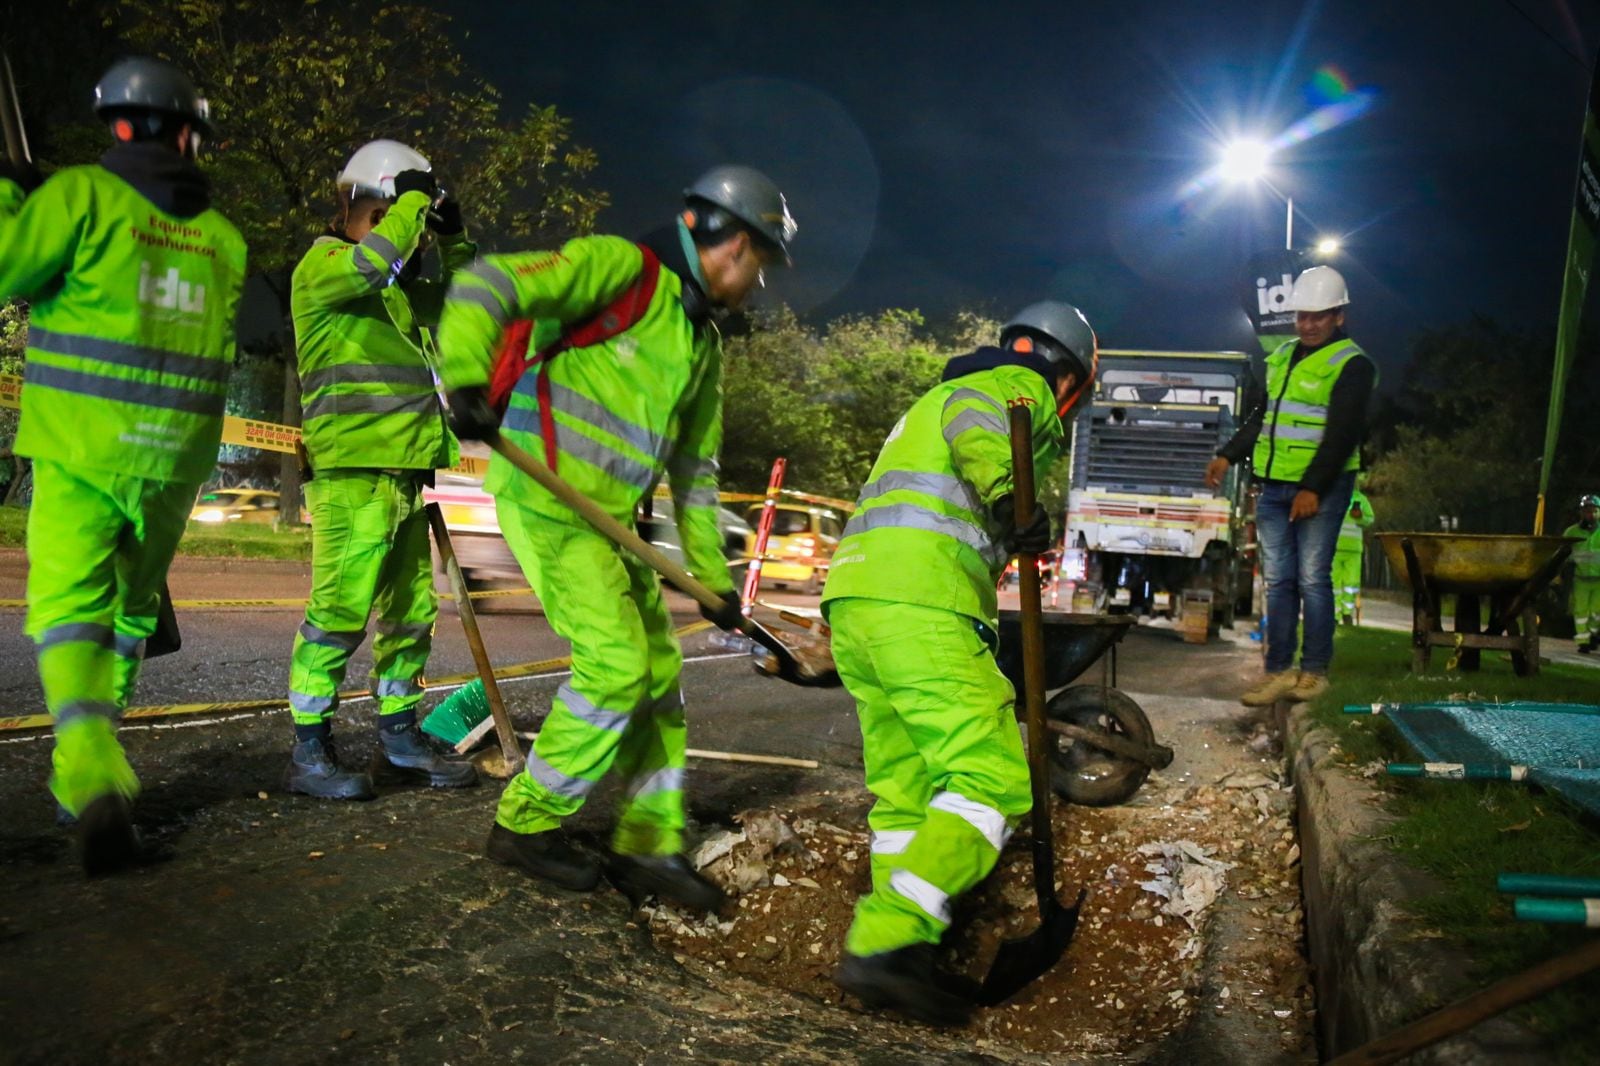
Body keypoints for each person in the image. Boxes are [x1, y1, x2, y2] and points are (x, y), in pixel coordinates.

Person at [438, 165, 796, 909]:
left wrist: (715, 583)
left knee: (659, 674)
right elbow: (483, 286)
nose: (757, 283)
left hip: (610, 526)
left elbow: (694, 472)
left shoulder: (701, 343)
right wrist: (465, 380)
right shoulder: (619, 267)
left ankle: (647, 844)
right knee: (617, 667)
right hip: (545, 499)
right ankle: (526, 823)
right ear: (734, 245)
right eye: (761, 263)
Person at [0, 58, 247, 873]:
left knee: (72, 610)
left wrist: (11, 198)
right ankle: (90, 774)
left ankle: (91, 770)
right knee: (133, 612)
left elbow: (8, 268)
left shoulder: (79, 197)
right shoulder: (225, 241)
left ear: (116, 125)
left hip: (80, 450)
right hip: (174, 465)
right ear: (186, 136)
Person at [820, 301, 1096, 1025]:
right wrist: (1011, 497)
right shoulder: (1019, 383)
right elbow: (979, 423)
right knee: (992, 777)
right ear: (1069, 376)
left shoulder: (933, 396)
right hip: (924, 601)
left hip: (857, 599)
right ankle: (887, 938)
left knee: (905, 788)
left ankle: (906, 946)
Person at [283, 139, 479, 799]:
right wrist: (415, 201)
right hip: (353, 472)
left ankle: (399, 735)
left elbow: (468, 302)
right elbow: (371, 266)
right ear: (374, 206)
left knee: (411, 613)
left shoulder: (396, 293)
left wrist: (453, 241)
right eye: (403, 219)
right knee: (339, 611)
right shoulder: (325, 268)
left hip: (404, 472)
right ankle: (310, 749)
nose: (412, 238)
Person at [1206, 266, 1375, 706]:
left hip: (1321, 488)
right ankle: (1278, 672)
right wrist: (1227, 454)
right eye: (1302, 315)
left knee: (1313, 579)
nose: (1308, 324)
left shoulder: (1352, 364)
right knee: (1279, 582)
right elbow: (1262, 418)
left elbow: (1343, 435)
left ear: (1339, 315)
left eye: (1319, 316)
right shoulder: (1281, 357)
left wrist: (1313, 488)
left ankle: (1314, 672)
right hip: (1274, 487)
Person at [1334, 480, 1375, 625]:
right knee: (1334, 584)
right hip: (1335, 548)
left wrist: (1360, 517)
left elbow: (1370, 519)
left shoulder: (1361, 499)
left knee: (1351, 584)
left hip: (1353, 549)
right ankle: (1335, 615)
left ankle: (1347, 614)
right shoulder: (1333, 495)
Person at [1564, 494, 1600, 653]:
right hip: (1581, 579)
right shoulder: (1571, 532)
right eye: (1587, 511)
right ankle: (1583, 641)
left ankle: (1592, 634)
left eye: (1594, 511)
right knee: (1580, 611)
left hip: (1599, 581)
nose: (1590, 514)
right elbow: (1562, 553)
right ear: (1581, 512)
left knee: (1597, 611)